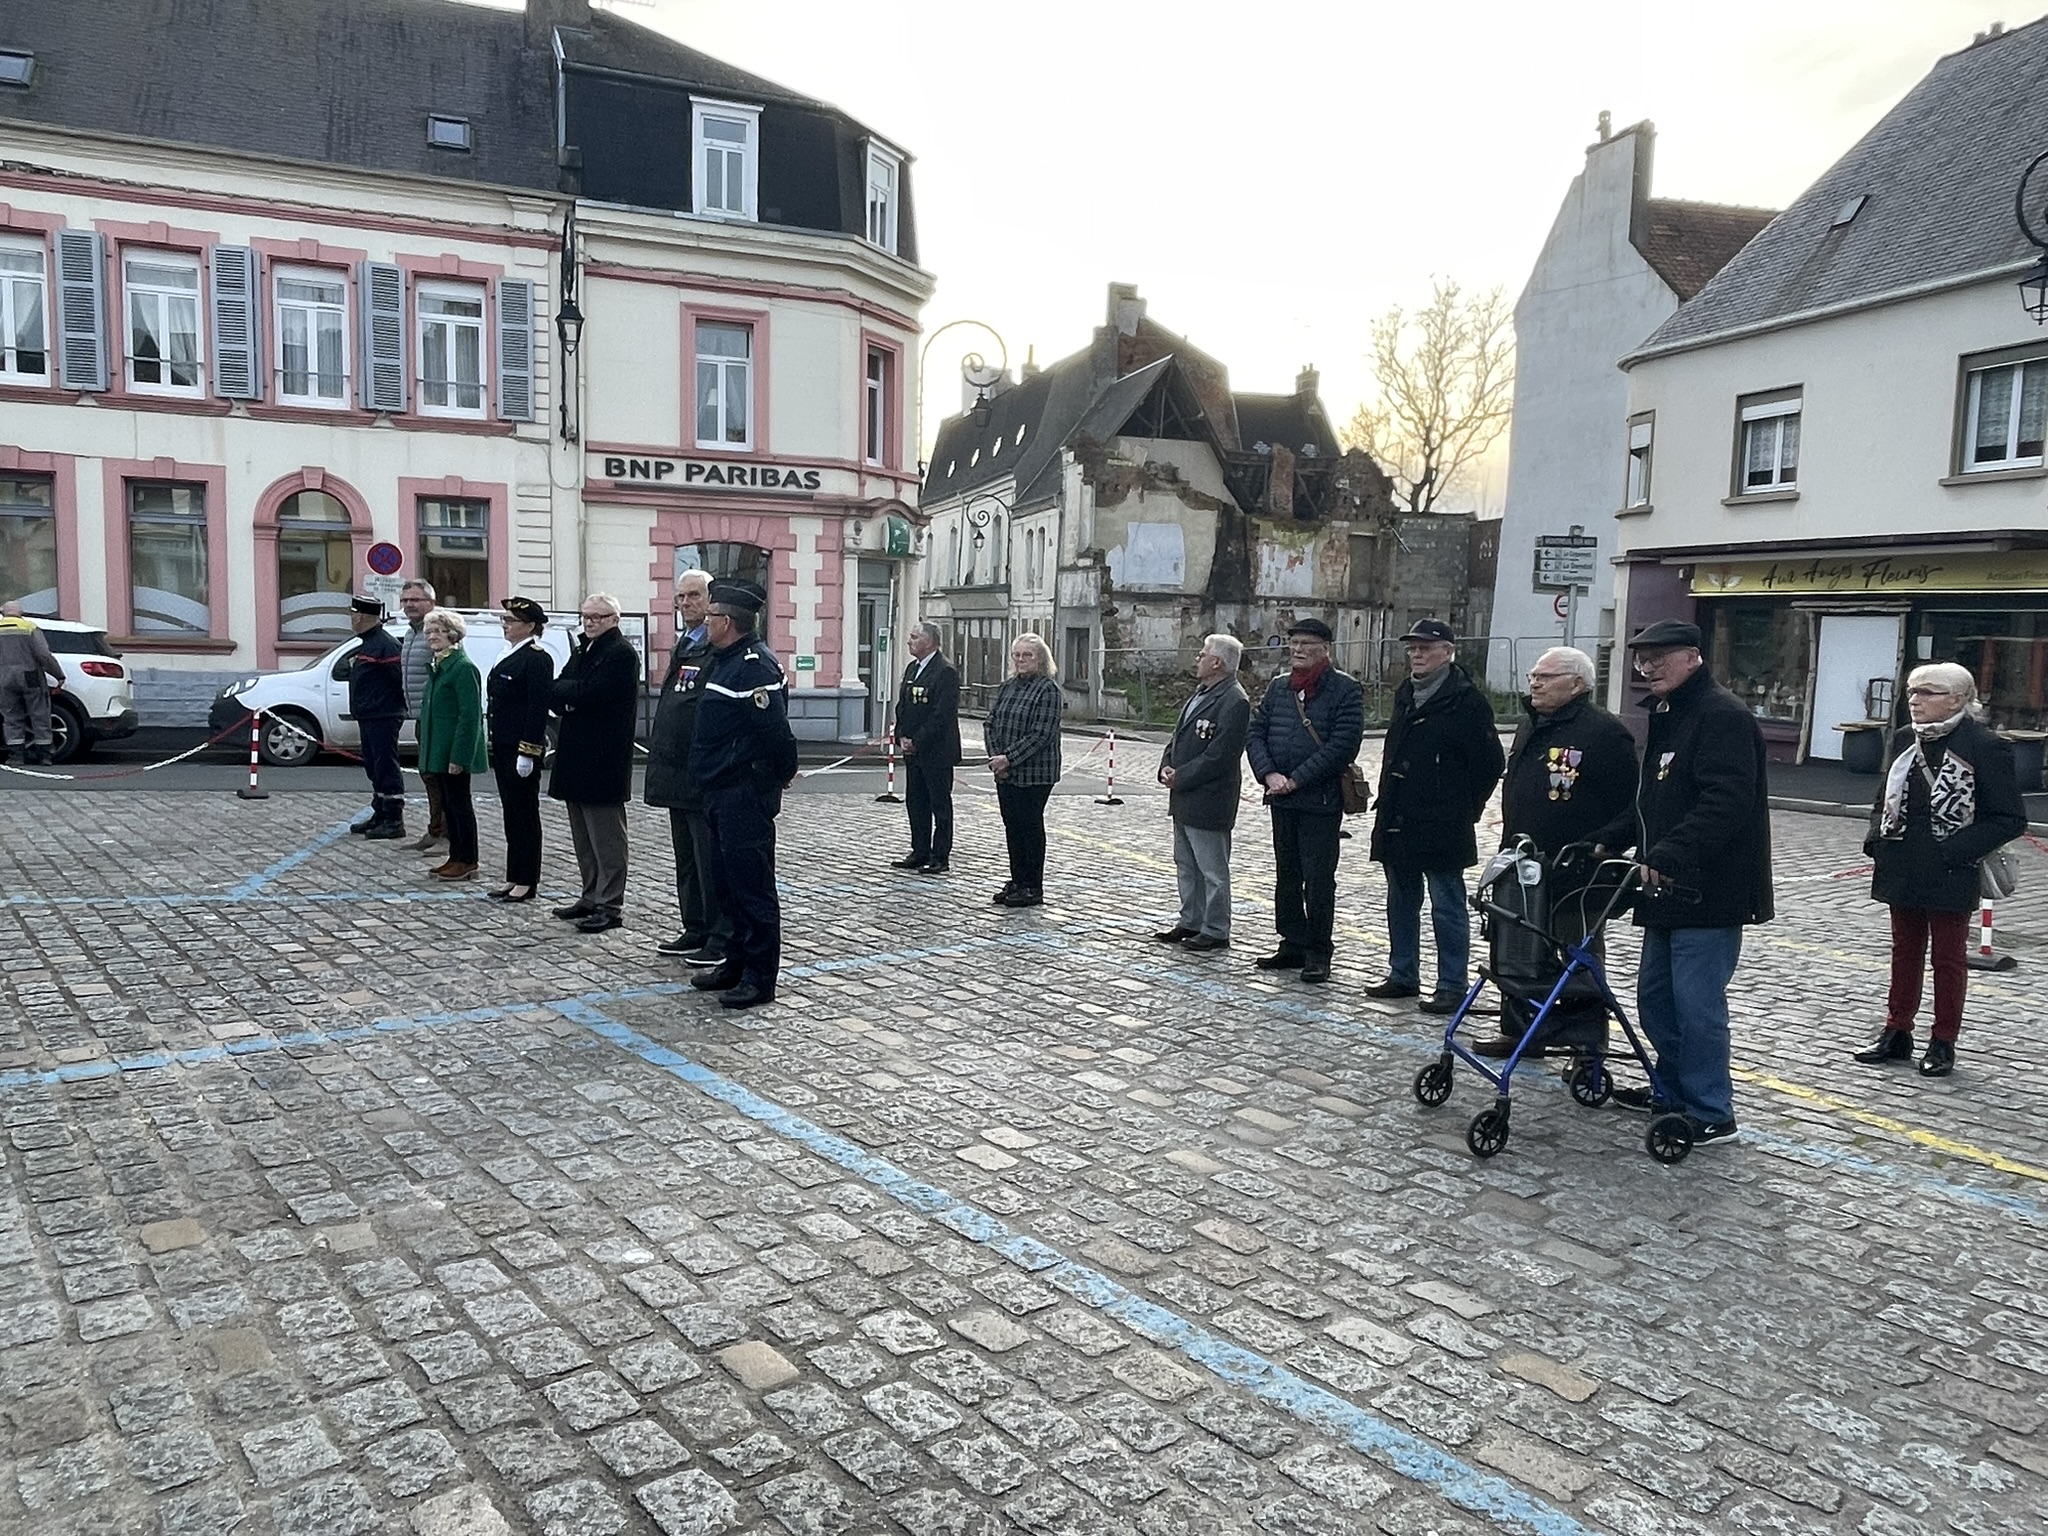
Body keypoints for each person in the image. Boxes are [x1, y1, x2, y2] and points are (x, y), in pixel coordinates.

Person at [1614, 618, 1773, 1145]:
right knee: (1655, 999)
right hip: (1664, 886)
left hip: (1710, 887)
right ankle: (1672, 1088)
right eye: (1641, 659)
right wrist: (1614, 839)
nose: (1648, 667)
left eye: (1660, 657)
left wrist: (1670, 852)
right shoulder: (1668, 713)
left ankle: (1710, 1108)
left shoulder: (1721, 716)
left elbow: (1726, 801)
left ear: (1693, 657)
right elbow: (1653, 801)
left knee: (1698, 1006)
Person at [1856, 662, 2027, 1077]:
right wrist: (1875, 840)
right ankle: (1897, 1031)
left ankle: (1943, 1039)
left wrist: (1953, 851)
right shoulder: (1902, 739)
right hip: (1900, 863)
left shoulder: (1984, 744)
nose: (1915, 700)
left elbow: (2009, 817)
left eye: (1927, 692)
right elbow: (1885, 795)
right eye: (1912, 692)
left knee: (1948, 959)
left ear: (1958, 699)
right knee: (1903, 952)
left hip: (1952, 870)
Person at [1469, 646, 1638, 1056]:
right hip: (1524, 865)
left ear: (1577, 683)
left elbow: (1633, 805)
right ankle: (1521, 1031)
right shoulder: (1533, 725)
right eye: (1533, 676)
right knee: (1517, 951)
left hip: (1577, 871)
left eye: (1545, 677)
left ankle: (1587, 1044)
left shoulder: (1604, 732)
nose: (1535, 683)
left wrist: (1603, 842)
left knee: (1576, 957)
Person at [1367, 619, 1505, 1012]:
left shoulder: (1467, 700)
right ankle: (1403, 974)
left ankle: (1451, 984)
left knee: (1447, 903)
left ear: (1447, 651)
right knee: (1401, 899)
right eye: (1412, 648)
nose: (1417, 654)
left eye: (1425, 648)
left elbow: (1490, 763)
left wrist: (1464, 807)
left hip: (1445, 820)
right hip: (1399, 815)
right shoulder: (1406, 693)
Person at [687, 580, 798, 1008]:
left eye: (711, 615)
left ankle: (759, 975)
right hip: (719, 790)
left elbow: (776, 734)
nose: (704, 621)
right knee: (726, 885)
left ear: (727, 621)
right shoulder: (726, 660)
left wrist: (778, 777)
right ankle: (734, 961)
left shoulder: (754, 665)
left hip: (743, 793)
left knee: (752, 887)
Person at [1245, 617, 1365, 983]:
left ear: (1325, 649)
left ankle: (1318, 950)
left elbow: (1341, 746)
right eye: (1293, 643)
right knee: (1287, 874)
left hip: (1320, 799)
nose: (1297, 650)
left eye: (1306, 645)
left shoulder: (1345, 690)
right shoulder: (1279, 688)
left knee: (1318, 878)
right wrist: (1269, 774)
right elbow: (1257, 732)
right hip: (1280, 797)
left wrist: (1296, 780)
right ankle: (1291, 942)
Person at [645, 570, 729, 961]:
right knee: (686, 858)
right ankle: (693, 925)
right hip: (675, 768)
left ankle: (717, 933)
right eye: (680, 597)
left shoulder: (716, 647)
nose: (685, 603)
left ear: (711, 600)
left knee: (708, 857)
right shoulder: (686, 643)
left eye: (693, 595)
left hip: (700, 771)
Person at [548, 592, 640, 934]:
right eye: (585, 616)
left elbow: (592, 694)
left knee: (607, 838)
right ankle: (590, 894)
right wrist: (571, 696)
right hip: (576, 753)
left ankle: (610, 904)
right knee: (582, 835)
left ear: (614, 620)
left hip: (603, 757)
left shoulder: (620, 654)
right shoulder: (582, 649)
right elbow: (558, 688)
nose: (589, 622)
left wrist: (572, 696)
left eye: (597, 617)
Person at [1154, 634, 1251, 953]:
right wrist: (1167, 765)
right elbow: (1178, 737)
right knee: (1186, 863)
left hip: (1210, 797)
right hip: (1183, 795)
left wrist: (1182, 776)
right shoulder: (1200, 693)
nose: (1198, 659)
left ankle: (1215, 928)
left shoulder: (1234, 701)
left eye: (1202, 654)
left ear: (1217, 662)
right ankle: (1190, 920)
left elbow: (1220, 755)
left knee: (1212, 869)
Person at [984, 634, 1065, 909]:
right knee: (1012, 827)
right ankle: (1017, 880)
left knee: (1029, 826)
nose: (1020, 660)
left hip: (1034, 773)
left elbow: (1041, 734)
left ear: (1040, 658)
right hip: (1004, 771)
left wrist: (1009, 758)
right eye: (1017, 655)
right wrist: (996, 757)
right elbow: (990, 722)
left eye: (1027, 655)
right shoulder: (1008, 686)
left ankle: (1032, 885)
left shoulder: (1048, 691)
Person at [486, 597, 554, 903]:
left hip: (519, 747)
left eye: (511, 621)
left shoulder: (537, 658)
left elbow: (537, 709)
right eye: (504, 621)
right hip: (502, 743)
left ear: (529, 626)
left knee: (525, 814)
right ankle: (513, 874)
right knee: (511, 814)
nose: (505, 626)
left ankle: (528, 879)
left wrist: (529, 751)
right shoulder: (508, 654)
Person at [416, 608, 488, 881]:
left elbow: (469, 718)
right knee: (449, 805)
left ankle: (467, 859)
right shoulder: (439, 665)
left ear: (452, 634)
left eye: (437, 631)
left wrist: (459, 756)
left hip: (452, 752)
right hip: (438, 749)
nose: (432, 637)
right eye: (429, 632)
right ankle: (456, 856)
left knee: (460, 806)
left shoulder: (462, 667)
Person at [890, 621, 961, 876]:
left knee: (939, 805)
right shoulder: (913, 668)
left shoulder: (944, 672)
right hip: (914, 751)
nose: (910, 641)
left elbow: (941, 715)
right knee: (915, 802)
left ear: (929, 642)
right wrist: (901, 736)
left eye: (914, 637)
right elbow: (904, 706)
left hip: (937, 752)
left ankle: (939, 855)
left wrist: (917, 740)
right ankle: (919, 850)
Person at [344, 596, 408, 839]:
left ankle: (393, 819)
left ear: (361, 616)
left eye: (352, 614)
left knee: (385, 765)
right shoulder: (368, 642)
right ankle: (380, 812)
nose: (351, 619)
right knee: (373, 765)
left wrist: (390, 707)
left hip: (384, 715)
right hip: (370, 715)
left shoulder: (386, 645)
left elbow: (397, 681)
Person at [397, 579, 448, 858]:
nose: (409, 605)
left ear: (430, 601)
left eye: (415, 600)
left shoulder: (437, 630)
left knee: (441, 778)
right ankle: (435, 829)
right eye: (405, 601)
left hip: (436, 717)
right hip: (419, 716)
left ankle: (447, 836)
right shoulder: (412, 632)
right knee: (428, 776)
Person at [0, 601, 65, 767]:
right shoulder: (29, 627)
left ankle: (15, 756)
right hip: (30, 676)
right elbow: (44, 655)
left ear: (3, 613)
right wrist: (58, 675)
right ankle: (44, 756)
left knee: (11, 716)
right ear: (20, 612)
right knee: (39, 714)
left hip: (4, 677)